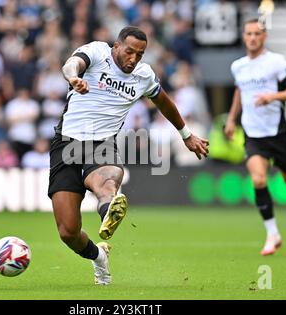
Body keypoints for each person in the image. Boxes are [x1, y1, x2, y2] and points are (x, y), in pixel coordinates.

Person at [49, 26, 209, 285]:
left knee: (106, 182)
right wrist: (73, 78)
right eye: (129, 52)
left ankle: (108, 209)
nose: (133, 59)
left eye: (140, 54)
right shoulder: (97, 52)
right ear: (116, 46)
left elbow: (164, 102)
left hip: (101, 143)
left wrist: (186, 134)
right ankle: (98, 255)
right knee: (68, 231)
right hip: (66, 143)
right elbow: (72, 64)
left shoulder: (144, 76)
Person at [224, 18, 286, 256]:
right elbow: (240, 91)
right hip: (252, 134)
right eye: (248, 34)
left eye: (257, 34)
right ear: (243, 36)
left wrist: (273, 96)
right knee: (258, 180)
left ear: (264, 37)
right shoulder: (238, 66)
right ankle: (272, 233)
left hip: (276, 134)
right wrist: (231, 119)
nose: (252, 38)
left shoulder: (276, 62)